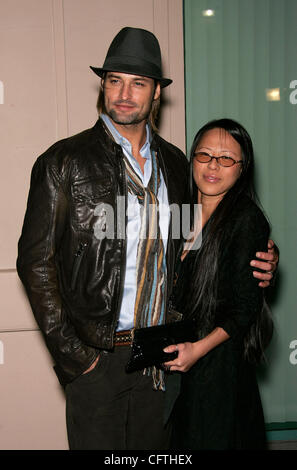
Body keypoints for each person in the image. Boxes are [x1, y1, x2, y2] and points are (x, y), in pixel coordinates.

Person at [16, 28, 277, 451]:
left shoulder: (176, 164)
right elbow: (35, 263)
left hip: (160, 356)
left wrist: (263, 255)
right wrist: (75, 357)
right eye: (115, 79)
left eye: (138, 82)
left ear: (156, 93)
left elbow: (211, 229)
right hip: (95, 357)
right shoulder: (64, 161)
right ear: (103, 85)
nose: (124, 93)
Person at [164, 118, 275, 450]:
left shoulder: (246, 220)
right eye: (204, 155)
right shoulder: (179, 214)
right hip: (176, 361)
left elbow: (245, 308)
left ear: (242, 169)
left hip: (217, 364)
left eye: (226, 158)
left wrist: (197, 350)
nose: (213, 165)